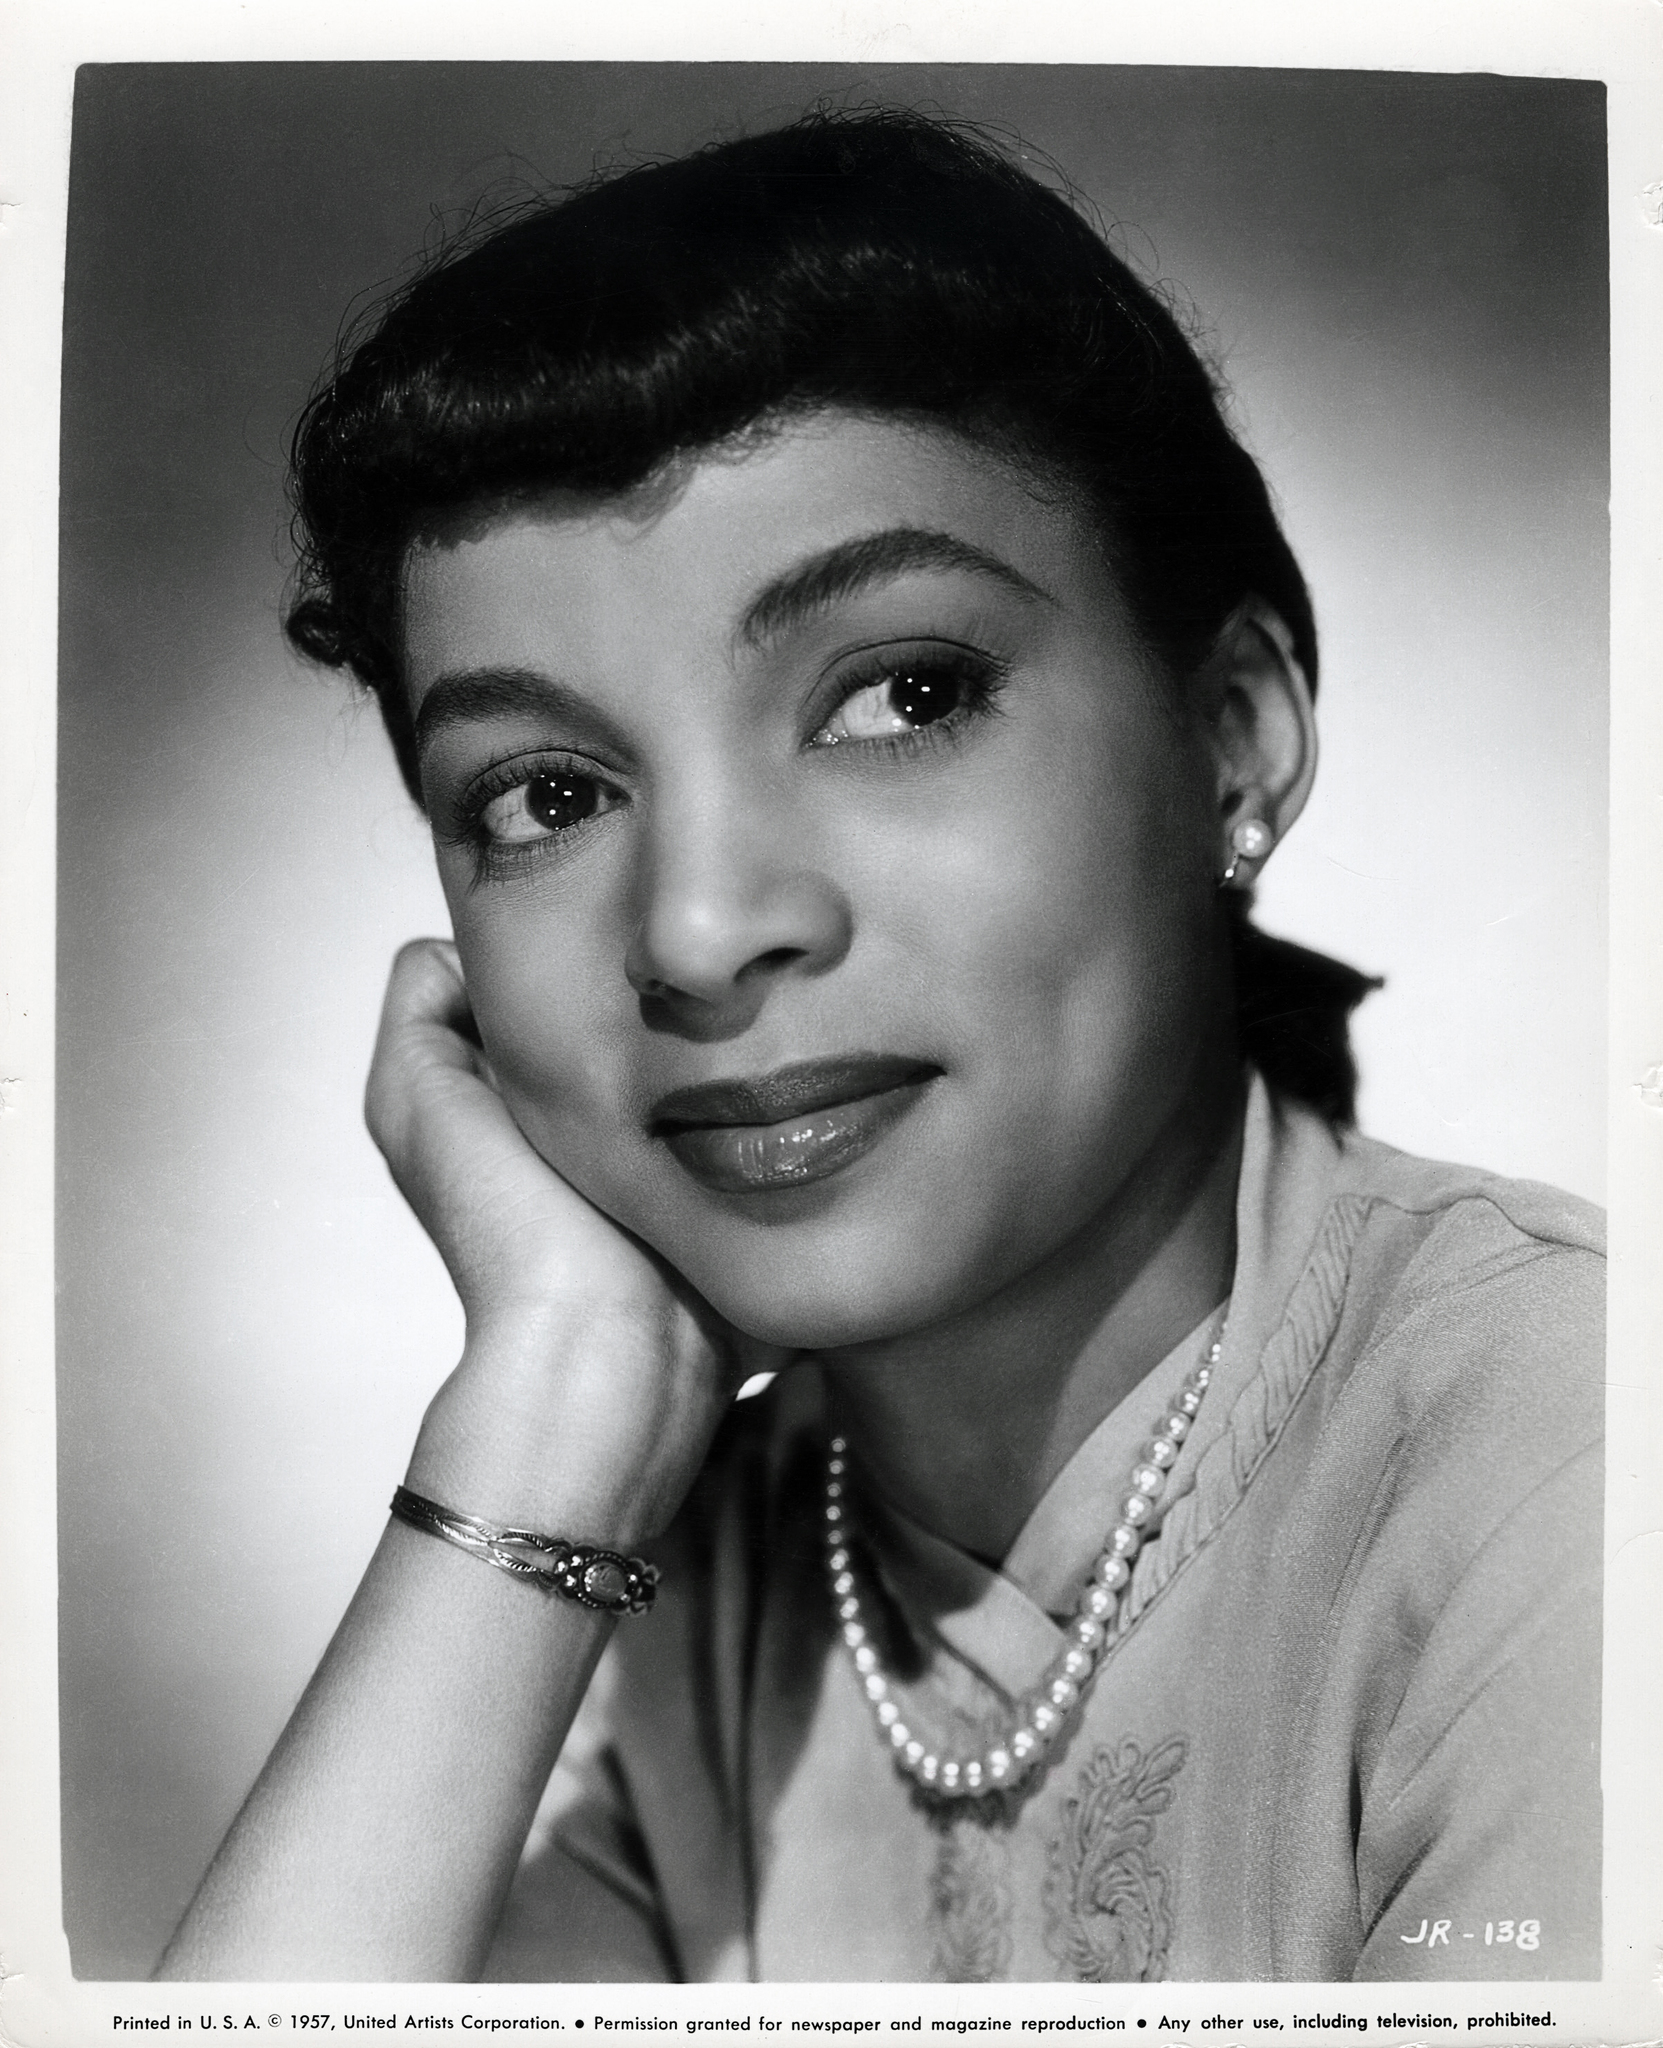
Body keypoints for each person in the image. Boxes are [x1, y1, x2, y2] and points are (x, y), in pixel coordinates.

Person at [156, 108, 1602, 1986]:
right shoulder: (736, 1572)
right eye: (547, 793)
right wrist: (555, 1423)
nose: (695, 927)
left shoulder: (1571, 1458)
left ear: (1233, 741)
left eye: (902, 694)